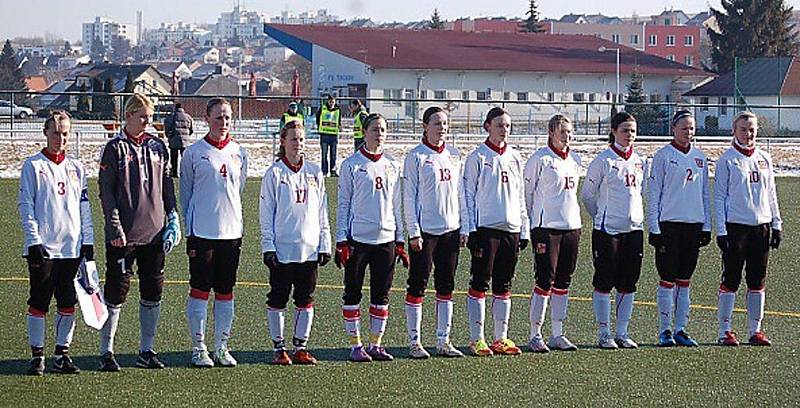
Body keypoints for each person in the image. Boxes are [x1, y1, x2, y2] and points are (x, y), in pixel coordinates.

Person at [98, 93, 179, 371]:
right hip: (124, 235)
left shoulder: (158, 146)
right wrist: (114, 226)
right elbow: (106, 193)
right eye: (143, 116)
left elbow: (167, 184)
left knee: (152, 292)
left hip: (154, 235)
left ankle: (147, 349)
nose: (148, 121)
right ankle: (106, 350)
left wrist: (172, 217)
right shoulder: (114, 148)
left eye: (150, 116)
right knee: (116, 292)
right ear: (129, 115)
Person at [19, 111, 93, 375]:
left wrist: (88, 241)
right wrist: (33, 241)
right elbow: (26, 206)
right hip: (44, 249)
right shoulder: (34, 166)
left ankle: (62, 354)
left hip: (71, 248)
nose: (60, 138)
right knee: (39, 302)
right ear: (45, 133)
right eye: (55, 133)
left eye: (65, 133)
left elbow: (84, 207)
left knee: (67, 301)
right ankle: (37, 356)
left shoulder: (77, 168)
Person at [180, 97, 249, 367]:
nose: (223, 122)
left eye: (228, 117)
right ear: (206, 119)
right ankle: (199, 348)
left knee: (225, 291)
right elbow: (186, 192)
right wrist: (189, 229)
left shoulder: (239, 152)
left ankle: (221, 346)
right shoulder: (194, 153)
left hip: (231, 233)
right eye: (218, 117)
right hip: (202, 233)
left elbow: (238, 188)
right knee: (199, 290)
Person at [335, 112, 407, 362]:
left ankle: (375, 344)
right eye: (375, 129)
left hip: (385, 240)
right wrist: (341, 240)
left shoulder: (392, 165)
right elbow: (343, 204)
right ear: (364, 132)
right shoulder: (352, 165)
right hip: (358, 240)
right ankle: (356, 346)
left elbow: (396, 206)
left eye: (383, 130)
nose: (379, 134)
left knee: (381, 295)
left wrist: (400, 240)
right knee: (353, 293)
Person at [260, 120, 331, 366]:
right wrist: (268, 246)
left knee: (306, 298)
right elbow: (266, 213)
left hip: (309, 248)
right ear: (283, 141)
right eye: (293, 139)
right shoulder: (274, 173)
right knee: (278, 298)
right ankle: (279, 348)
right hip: (282, 248)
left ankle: (301, 347)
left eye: (301, 139)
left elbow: (322, 211)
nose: (298, 144)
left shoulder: (314, 172)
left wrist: (325, 243)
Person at [460, 107, 529, 357]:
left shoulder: (515, 157)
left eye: (508, 126)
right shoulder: (477, 157)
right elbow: (466, 195)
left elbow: (520, 195)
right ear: (487, 126)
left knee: (504, 285)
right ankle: (477, 339)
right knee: (480, 283)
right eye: (500, 125)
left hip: (510, 230)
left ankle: (501, 338)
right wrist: (471, 228)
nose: (504, 130)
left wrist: (524, 228)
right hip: (485, 231)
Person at [714, 111, 782, 347]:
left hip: (760, 227)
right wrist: (721, 231)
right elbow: (719, 197)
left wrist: (776, 223)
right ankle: (725, 331)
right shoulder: (727, 160)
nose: (748, 133)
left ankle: (755, 331)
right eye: (743, 129)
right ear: (734, 130)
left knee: (757, 280)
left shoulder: (764, 158)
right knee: (731, 279)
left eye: (752, 129)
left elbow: (771, 193)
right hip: (736, 228)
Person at [580, 112, 646, 349]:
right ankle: (604, 332)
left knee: (629, 283)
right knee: (604, 282)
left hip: (634, 230)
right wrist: (601, 217)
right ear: (614, 131)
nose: (630, 135)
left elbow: (640, 192)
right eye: (625, 130)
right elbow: (587, 195)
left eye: (633, 131)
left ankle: (622, 332)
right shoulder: (603, 161)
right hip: (607, 231)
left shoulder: (640, 161)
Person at [402, 107, 464, 359]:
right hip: (425, 233)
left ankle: (443, 340)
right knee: (417, 285)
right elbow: (408, 197)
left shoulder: (455, 155)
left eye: (445, 123)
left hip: (451, 231)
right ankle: (415, 341)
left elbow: (461, 194)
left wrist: (465, 227)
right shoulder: (415, 157)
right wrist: (414, 232)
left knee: (446, 286)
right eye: (437, 123)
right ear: (425, 126)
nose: (442, 128)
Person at [646, 110, 710, 348]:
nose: (689, 132)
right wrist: (654, 226)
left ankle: (681, 329)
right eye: (684, 128)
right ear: (674, 128)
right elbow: (654, 193)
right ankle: (665, 330)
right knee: (667, 279)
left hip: (693, 226)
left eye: (692, 128)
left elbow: (705, 192)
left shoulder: (700, 157)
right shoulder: (663, 156)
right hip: (669, 226)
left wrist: (706, 225)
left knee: (685, 279)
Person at [523, 114, 582, 353]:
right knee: (544, 281)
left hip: (571, 228)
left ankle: (557, 333)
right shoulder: (540, 159)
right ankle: (535, 334)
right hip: (546, 229)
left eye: (569, 132)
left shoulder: (575, 160)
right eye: (562, 131)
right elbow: (527, 194)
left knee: (563, 282)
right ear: (551, 132)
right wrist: (532, 223)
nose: (566, 136)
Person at [164, 103, 194, 177]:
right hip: (185, 141)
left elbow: (167, 128)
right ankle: (185, 172)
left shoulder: (171, 117)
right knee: (185, 159)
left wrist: (169, 136)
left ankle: (174, 172)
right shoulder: (188, 117)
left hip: (174, 140)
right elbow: (191, 129)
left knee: (174, 158)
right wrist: (187, 136)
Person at [316, 95, 342, 177]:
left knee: (333, 155)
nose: (331, 103)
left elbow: (339, 120)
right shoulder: (322, 108)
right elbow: (317, 118)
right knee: (324, 155)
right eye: (330, 102)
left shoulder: (338, 110)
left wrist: (340, 126)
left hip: (333, 135)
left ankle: (333, 171)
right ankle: (324, 171)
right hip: (324, 135)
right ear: (328, 101)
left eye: (333, 102)